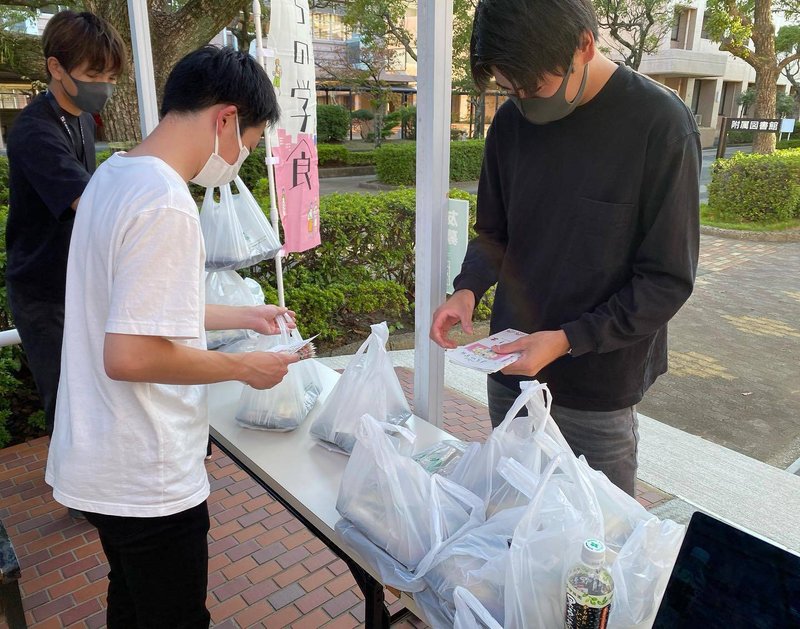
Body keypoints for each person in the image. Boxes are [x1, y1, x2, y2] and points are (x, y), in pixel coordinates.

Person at [45, 45, 298, 628]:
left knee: (131, 604)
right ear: (226, 119)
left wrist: (245, 317)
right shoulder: (166, 204)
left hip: (101, 456)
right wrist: (244, 369)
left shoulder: (114, 174)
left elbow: (139, 307)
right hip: (145, 469)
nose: (240, 159)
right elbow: (131, 354)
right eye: (249, 144)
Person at [430, 0, 700, 497]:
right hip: (510, 372)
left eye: (534, 87)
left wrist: (566, 339)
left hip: (597, 387)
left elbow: (667, 279)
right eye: (510, 89)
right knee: (513, 516)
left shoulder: (659, 124)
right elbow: (494, 231)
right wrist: (466, 289)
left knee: (595, 540)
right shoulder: (511, 124)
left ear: (584, 45)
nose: (525, 103)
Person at [5, 10, 125, 437]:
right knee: (67, 396)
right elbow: (86, 201)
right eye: (95, 74)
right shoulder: (33, 130)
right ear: (55, 67)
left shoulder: (79, 119)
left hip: (77, 281)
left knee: (95, 390)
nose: (105, 87)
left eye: (111, 77)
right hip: (43, 290)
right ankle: (80, 498)